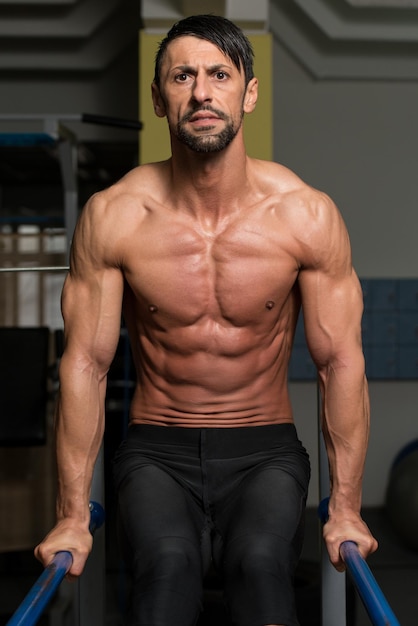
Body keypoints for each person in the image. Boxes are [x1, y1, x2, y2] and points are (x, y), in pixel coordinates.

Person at [35, 14, 378, 626]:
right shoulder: (115, 216)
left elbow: (340, 360)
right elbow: (85, 362)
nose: (201, 92)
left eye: (219, 74)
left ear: (248, 92)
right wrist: (70, 513)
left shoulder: (305, 216)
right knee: (165, 569)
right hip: (155, 449)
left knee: (260, 565)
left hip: (265, 447)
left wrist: (346, 506)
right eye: (182, 76)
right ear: (160, 98)